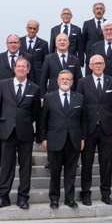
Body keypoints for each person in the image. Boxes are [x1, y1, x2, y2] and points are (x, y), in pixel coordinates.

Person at [0, 57, 40, 209]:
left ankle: (23, 198)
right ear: (14, 68)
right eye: (18, 66)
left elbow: (35, 112)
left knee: (25, 167)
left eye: (23, 66)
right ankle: (3, 196)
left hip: (25, 132)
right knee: (6, 166)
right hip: (7, 132)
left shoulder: (35, 88)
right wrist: (6, 122)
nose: (21, 69)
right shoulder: (3, 84)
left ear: (28, 70)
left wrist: (23, 122)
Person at [76, 54, 112, 205]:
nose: (99, 66)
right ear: (90, 66)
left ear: (104, 65)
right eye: (96, 63)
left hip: (107, 129)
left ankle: (106, 193)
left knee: (106, 163)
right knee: (87, 162)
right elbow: (80, 108)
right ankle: (86, 193)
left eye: (101, 63)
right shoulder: (82, 82)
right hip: (89, 129)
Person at [39, 70, 86, 209]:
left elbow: (83, 121)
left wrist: (83, 138)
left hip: (73, 140)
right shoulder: (49, 97)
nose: (65, 81)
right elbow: (43, 120)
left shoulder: (79, 98)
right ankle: (54, 199)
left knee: (71, 172)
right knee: (55, 172)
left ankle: (69, 199)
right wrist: (43, 138)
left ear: (72, 82)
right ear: (57, 81)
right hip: (55, 139)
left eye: (68, 79)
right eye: (62, 79)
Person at [0, 35, 23, 168]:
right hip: (3, 99)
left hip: (21, 99)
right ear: (6, 44)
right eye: (11, 42)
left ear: (20, 44)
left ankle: (21, 157)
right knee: (0, 128)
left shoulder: (26, 58)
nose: (13, 45)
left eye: (15, 42)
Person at [20, 20, 50, 87]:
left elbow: (46, 62)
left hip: (37, 77)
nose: (32, 30)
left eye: (34, 29)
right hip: (22, 75)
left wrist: (47, 79)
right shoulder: (19, 42)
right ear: (26, 28)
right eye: (30, 28)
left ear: (38, 30)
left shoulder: (43, 44)